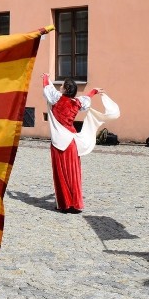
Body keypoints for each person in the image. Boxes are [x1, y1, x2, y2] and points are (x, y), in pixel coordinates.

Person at [42, 73, 103, 213]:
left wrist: (46, 77)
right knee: (73, 173)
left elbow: (47, 89)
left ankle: (65, 204)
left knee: (61, 173)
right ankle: (75, 204)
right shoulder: (77, 103)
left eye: (62, 85)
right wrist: (93, 91)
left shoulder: (57, 99)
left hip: (59, 142)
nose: (60, 87)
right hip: (72, 142)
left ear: (64, 89)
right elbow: (86, 99)